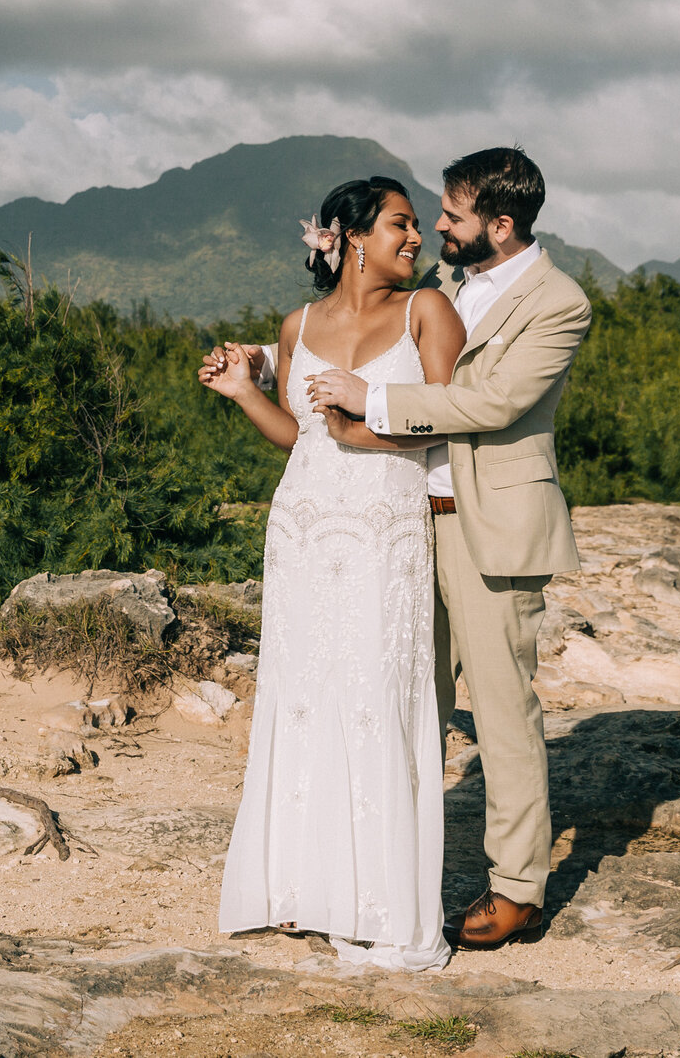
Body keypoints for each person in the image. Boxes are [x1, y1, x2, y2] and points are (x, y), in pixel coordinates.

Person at [303, 147, 591, 949]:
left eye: (454, 215)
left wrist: (375, 400)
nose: (437, 225)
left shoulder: (559, 302)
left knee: (502, 710)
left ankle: (517, 886)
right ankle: (393, 866)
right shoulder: (451, 289)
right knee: (406, 699)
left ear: (501, 225)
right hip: (402, 520)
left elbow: (495, 400)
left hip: (489, 524)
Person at [198, 175, 466, 970]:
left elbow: (449, 423)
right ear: (349, 236)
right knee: (306, 692)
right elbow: (301, 434)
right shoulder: (297, 322)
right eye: (400, 223)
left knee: (377, 694)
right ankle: (299, 886)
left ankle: (380, 901)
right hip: (304, 527)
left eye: (418, 225)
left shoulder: (428, 311)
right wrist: (245, 392)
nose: (416, 238)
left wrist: (365, 421)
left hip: (385, 527)